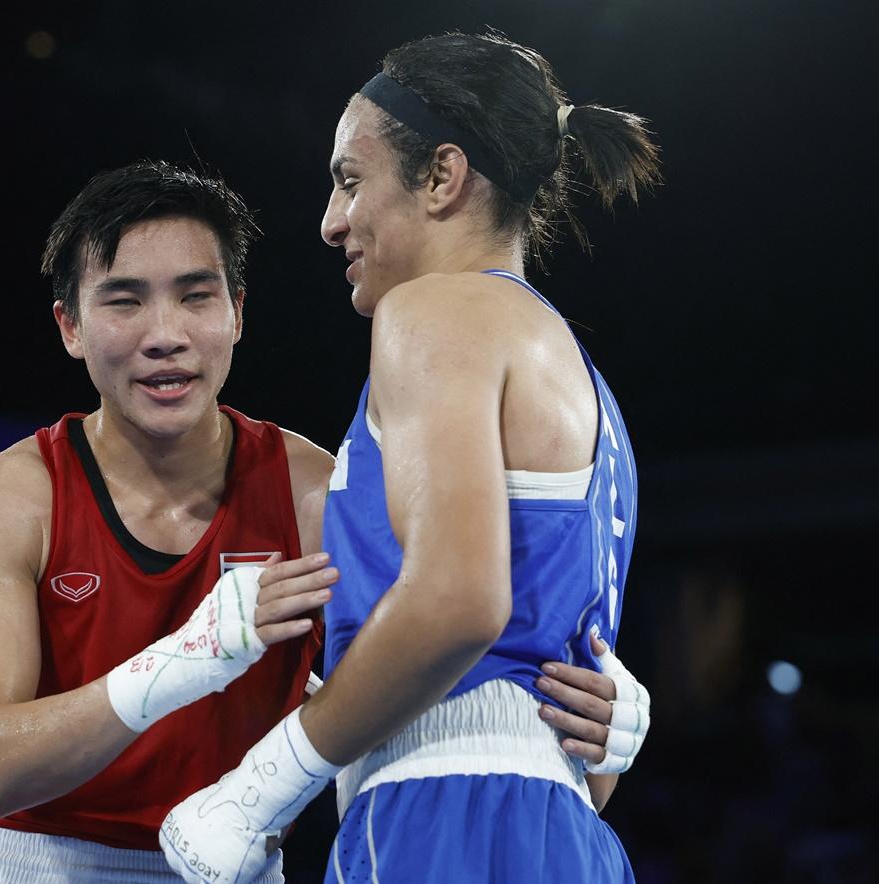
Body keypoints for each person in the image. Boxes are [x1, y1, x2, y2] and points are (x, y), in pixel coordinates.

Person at [161, 32, 660, 883]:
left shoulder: (433, 314)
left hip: (442, 820)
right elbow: (572, 754)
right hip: (558, 831)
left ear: (441, 177)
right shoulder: (582, 384)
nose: (330, 221)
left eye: (350, 180)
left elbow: (458, 601)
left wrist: (261, 785)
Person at [0, 160, 342, 882]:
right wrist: (187, 660)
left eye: (195, 297)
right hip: (35, 864)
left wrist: (577, 730)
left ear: (236, 313)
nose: (165, 335)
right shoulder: (4, 500)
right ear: (71, 327)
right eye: (124, 302)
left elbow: (413, 673)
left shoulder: (315, 495)